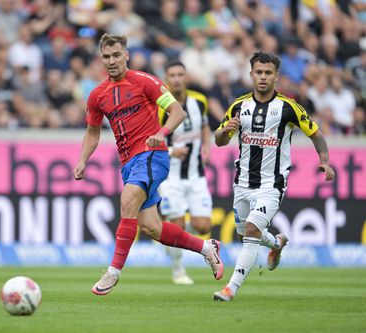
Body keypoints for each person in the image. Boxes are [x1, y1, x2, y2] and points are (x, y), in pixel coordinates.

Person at [73, 33, 223, 296]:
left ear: (126, 55)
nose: (112, 61)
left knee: (128, 199)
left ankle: (113, 272)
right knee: (152, 228)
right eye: (106, 56)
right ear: (101, 58)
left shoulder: (146, 82)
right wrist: (83, 159)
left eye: (116, 55)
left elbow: (178, 111)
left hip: (153, 155)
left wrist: (161, 134)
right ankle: (206, 248)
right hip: (130, 163)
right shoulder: (97, 95)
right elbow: (92, 132)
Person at [213, 51, 335, 301]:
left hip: (272, 184)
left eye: (268, 73)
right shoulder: (238, 106)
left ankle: (230, 289)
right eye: (258, 72)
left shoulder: (289, 107)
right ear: (251, 74)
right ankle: (277, 244)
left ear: (276, 76)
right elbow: (219, 141)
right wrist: (225, 130)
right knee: (244, 234)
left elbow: (316, 134)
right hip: (242, 182)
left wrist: (324, 161)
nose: (263, 77)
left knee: (250, 231)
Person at [158, 60, 213, 285]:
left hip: (195, 174)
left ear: (186, 77)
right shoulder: (160, 107)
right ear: (166, 79)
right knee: (178, 226)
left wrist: (207, 146)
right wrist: (171, 151)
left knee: (203, 226)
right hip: (171, 177)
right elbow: (151, 141)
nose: (177, 79)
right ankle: (178, 271)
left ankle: (167, 235)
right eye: (172, 75)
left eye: (181, 74)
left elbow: (204, 126)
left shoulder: (199, 101)